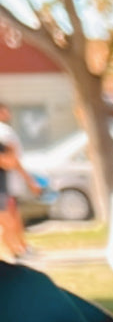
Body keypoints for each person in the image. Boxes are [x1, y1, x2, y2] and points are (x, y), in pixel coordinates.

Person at [0, 106, 44, 260]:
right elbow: (9, 162)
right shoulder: (4, 132)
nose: (9, 113)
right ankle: (16, 251)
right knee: (8, 221)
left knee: (9, 220)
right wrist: (30, 181)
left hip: (5, 184)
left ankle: (17, 251)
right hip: (5, 185)